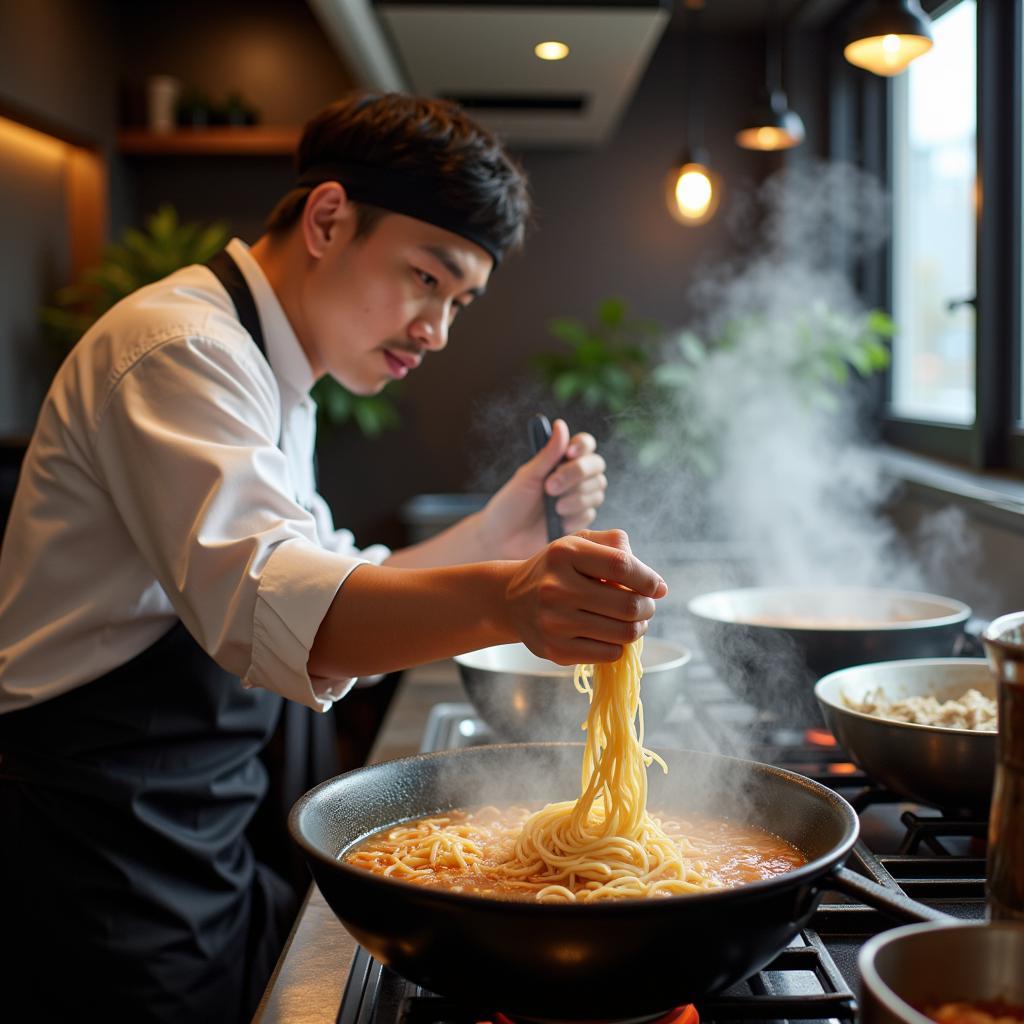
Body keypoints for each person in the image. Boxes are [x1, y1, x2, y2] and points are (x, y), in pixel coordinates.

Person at [0, 92, 667, 1023]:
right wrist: (512, 597)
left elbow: (328, 575)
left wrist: (504, 530)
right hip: (103, 841)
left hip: (196, 820)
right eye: (426, 279)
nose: (437, 329)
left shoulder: (272, 371)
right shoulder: (178, 348)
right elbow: (278, 598)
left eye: (460, 301)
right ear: (328, 219)